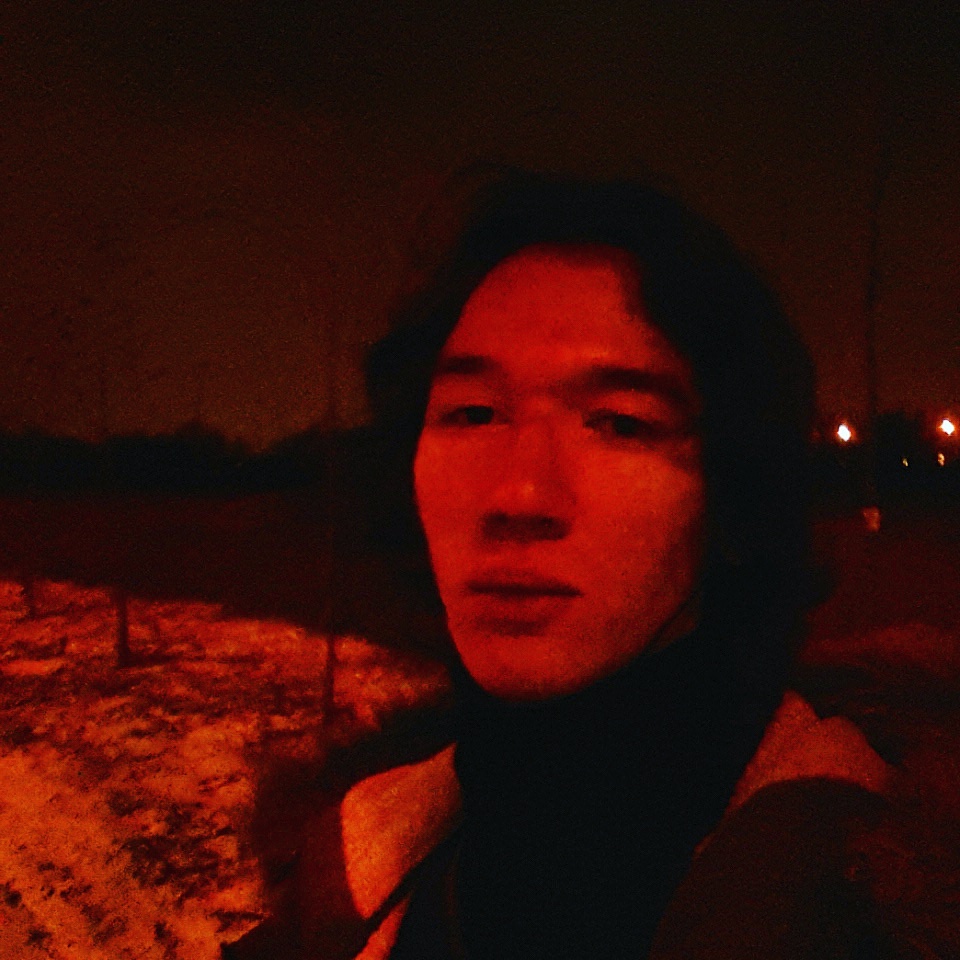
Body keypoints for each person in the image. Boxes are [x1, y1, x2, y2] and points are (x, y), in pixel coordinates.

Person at [224, 169, 893, 960]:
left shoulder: (880, 904)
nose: (518, 494)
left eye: (620, 423)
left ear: (732, 493)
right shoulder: (345, 892)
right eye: (474, 413)